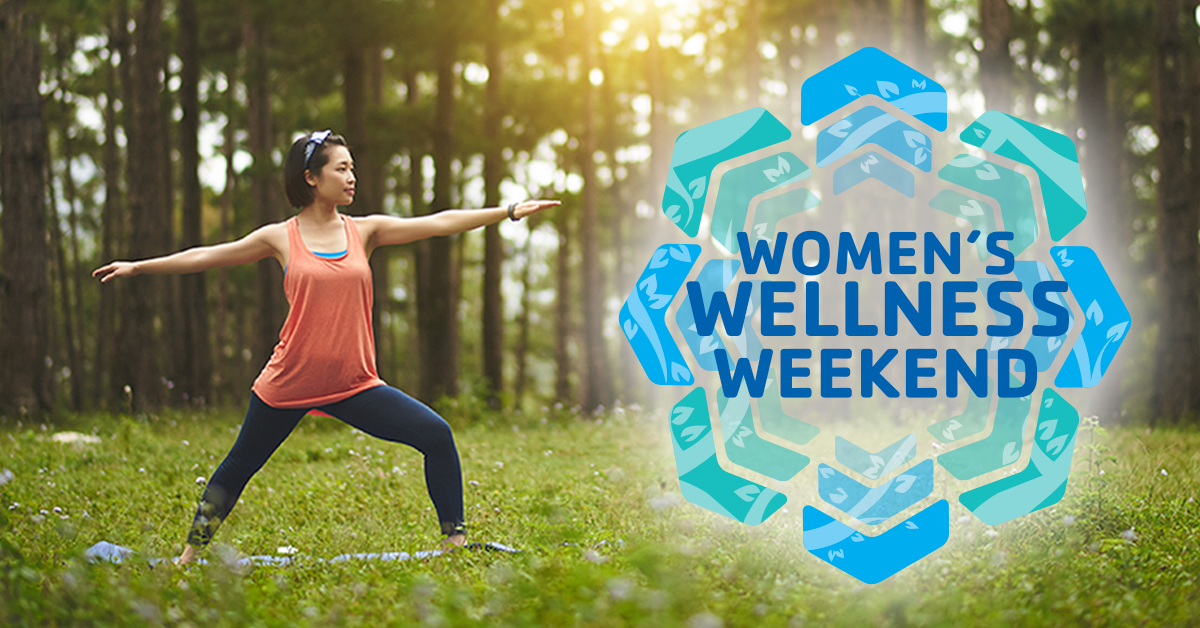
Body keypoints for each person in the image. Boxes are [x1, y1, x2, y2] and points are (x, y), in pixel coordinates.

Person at [92, 130, 560, 566]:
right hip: (289, 380)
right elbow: (207, 255)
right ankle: (189, 559)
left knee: (436, 435)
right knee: (238, 466)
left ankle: (454, 544)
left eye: (352, 168)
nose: (352, 177)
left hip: (354, 383)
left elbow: (438, 223)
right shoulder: (280, 237)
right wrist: (139, 267)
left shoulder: (365, 231)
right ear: (310, 178)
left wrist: (509, 211)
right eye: (341, 169)